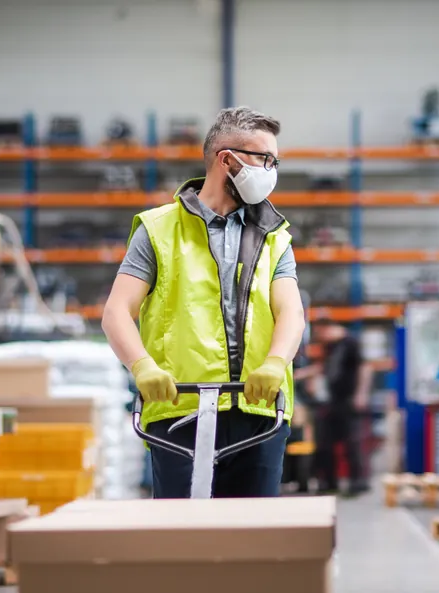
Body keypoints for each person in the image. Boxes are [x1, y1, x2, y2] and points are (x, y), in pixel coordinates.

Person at [102, 107, 306, 499]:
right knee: (182, 539)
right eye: (265, 159)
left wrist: (276, 362)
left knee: (252, 537)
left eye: (275, 161)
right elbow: (116, 312)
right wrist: (141, 366)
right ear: (226, 159)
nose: (271, 170)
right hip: (181, 407)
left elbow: (291, 313)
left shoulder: (275, 236)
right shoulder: (158, 229)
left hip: (258, 409)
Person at [313, 320, 373, 495]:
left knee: (353, 443)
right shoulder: (331, 347)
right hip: (334, 401)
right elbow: (323, 369)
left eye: (320, 333)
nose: (320, 337)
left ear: (330, 328)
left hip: (350, 401)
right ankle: (329, 483)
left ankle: (358, 483)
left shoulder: (351, 343)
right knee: (326, 443)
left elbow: (365, 368)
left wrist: (361, 394)